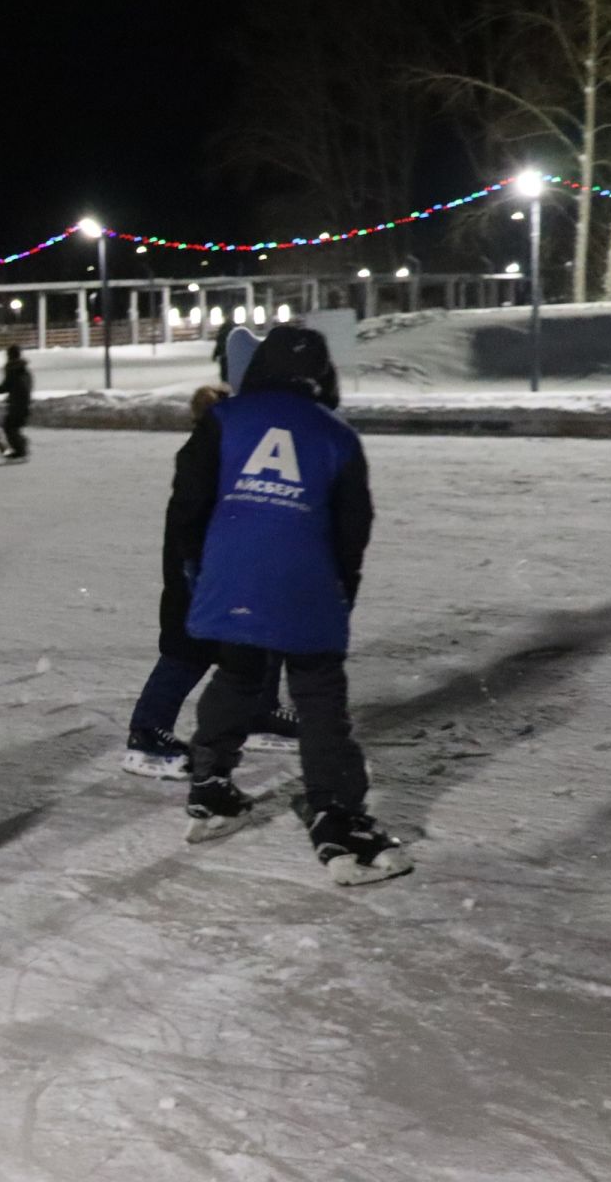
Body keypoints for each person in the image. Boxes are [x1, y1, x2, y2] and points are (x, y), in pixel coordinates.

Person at [168, 324, 410, 885]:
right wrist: (338, 594)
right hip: (306, 582)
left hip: (233, 576)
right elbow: (353, 530)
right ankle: (337, 814)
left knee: (236, 672)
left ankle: (210, 785)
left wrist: (203, 570)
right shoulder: (337, 436)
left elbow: (188, 502)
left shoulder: (224, 420)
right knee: (319, 694)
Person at [122, 384, 296, 779]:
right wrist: (197, 570)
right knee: (188, 651)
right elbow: (190, 517)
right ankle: (146, 733)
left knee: (262, 635)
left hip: (223, 566)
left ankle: (259, 712)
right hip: (198, 572)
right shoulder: (204, 452)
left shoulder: (228, 450)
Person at [0, 344, 33, 460]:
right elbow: (25, 385)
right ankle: (21, 444)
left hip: (17, 403)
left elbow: (7, 385)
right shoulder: (24, 369)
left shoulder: (12, 369)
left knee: (9, 427)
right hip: (23, 402)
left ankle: (20, 450)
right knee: (13, 427)